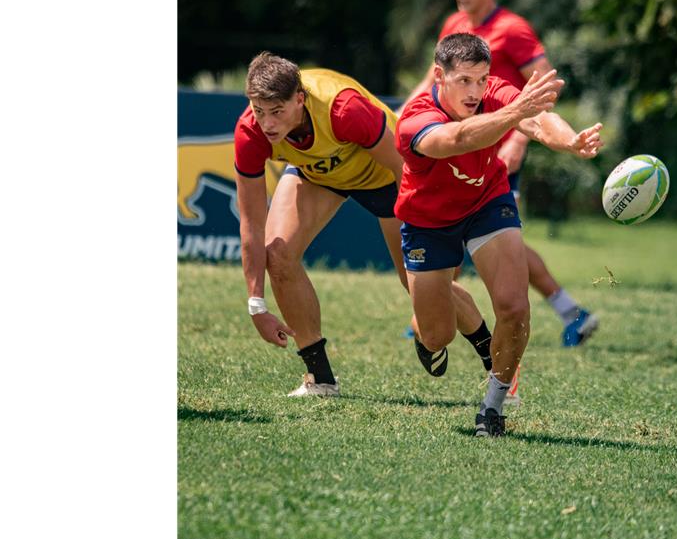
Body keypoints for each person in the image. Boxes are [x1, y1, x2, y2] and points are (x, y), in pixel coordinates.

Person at [234, 52, 488, 397]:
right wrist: (256, 305)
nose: (267, 124)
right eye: (259, 111)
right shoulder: (251, 131)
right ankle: (320, 379)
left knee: (418, 282)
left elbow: (404, 167)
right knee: (278, 256)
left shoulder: (343, 109)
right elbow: (251, 224)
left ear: (300, 99)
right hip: (320, 175)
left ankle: (497, 364)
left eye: (277, 112)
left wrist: (432, 239)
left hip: (388, 177)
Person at [396, 34, 603, 436]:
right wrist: (516, 111)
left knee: (514, 307)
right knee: (437, 335)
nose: (475, 91)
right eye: (464, 81)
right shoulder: (414, 119)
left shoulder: (495, 93)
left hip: (487, 201)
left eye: (481, 79)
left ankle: (492, 406)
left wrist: (570, 141)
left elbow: (536, 119)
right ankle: (441, 321)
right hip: (428, 220)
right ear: (439, 76)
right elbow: (457, 139)